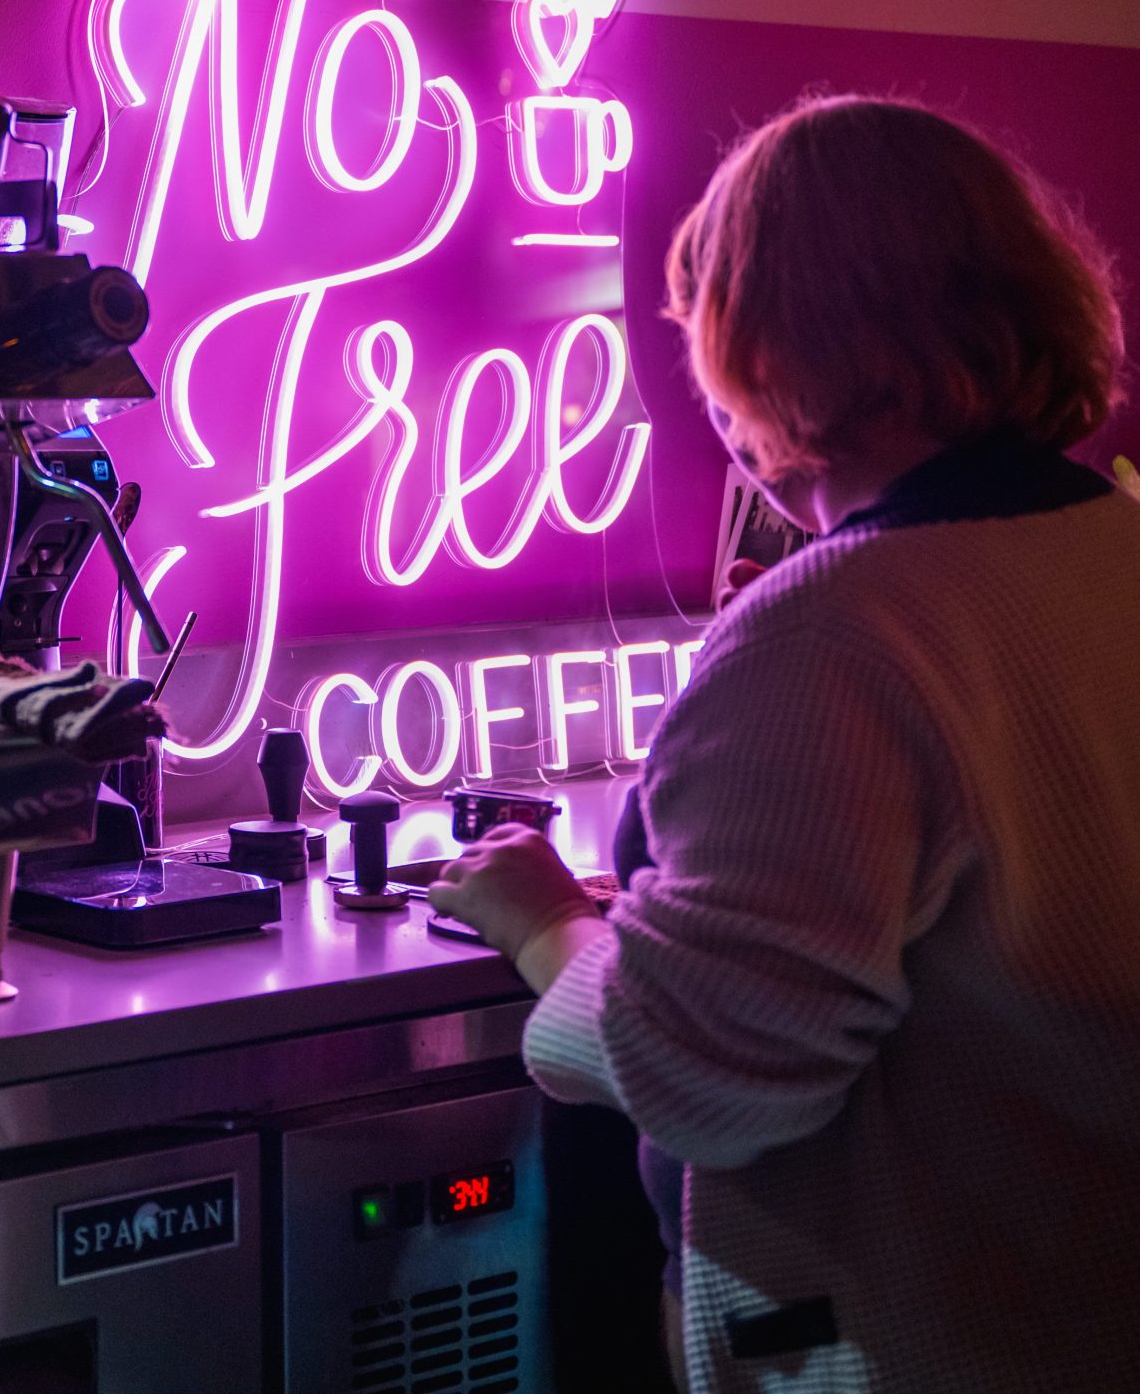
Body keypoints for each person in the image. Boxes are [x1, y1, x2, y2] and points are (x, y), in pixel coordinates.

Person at [429, 96, 1140, 1392]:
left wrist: (539, 923)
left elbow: (707, 1078)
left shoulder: (827, 636)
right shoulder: (1105, 550)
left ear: (753, 341)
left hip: (932, 1334)